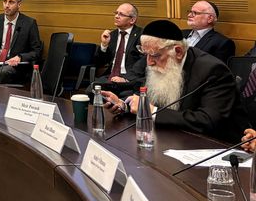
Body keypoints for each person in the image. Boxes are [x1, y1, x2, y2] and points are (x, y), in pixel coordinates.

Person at [103, 20, 249, 144]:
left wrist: (150, 111)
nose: (149, 62)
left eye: (154, 55)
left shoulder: (213, 71)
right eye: (145, 54)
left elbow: (208, 121)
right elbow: (152, 101)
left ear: (178, 51)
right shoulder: (161, 61)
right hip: (172, 139)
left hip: (217, 146)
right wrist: (125, 106)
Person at [0, 0, 43, 84]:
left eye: (11, 2)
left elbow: (36, 51)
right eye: (5, 1)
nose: (6, 5)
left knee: (3, 72)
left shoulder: (29, 23)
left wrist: (20, 57)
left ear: (19, 5)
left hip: (16, 65)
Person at [91, 3, 144, 95]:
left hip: (130, 79)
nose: (116, 16)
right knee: (90, 91)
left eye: (121, 14)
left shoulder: (141, 35)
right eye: (116, 13)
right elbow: (99, 62)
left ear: (132, 20)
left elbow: (143, 62)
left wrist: (126, 78)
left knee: (122, 96)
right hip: (111, 77)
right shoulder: (112, 35)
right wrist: (104, 45)